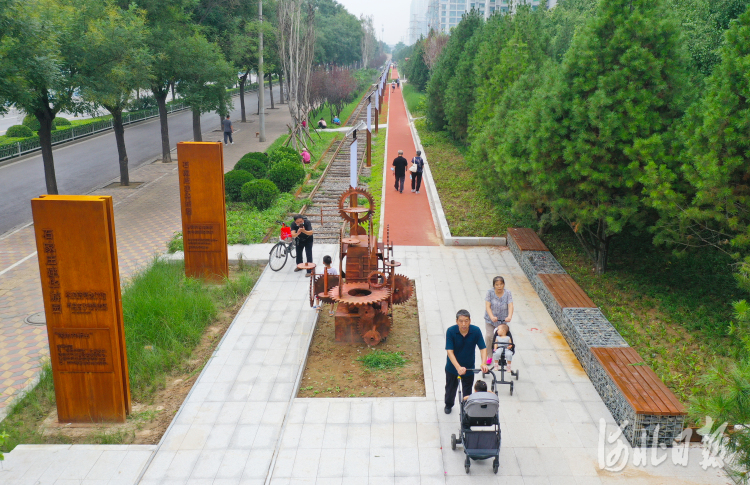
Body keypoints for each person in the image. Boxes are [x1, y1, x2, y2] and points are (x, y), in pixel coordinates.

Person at [445, 309, 489, 414]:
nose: (464, 324)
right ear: (457, 321)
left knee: (467, 391)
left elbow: (483, 348)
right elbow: (450, 352)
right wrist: (458, 367)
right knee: (451, 388)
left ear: (470, 321)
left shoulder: (476, 331)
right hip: (453, 367)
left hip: (469, 367)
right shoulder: (451, 331)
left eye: (466, 321)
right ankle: (448, 404)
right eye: (461, 321)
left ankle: (466, 410)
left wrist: (484, 363)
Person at [484, 276, 514, 359]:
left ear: (504, 284)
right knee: (489, 336)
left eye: (501, 284)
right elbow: (488, 306)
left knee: (503, 336)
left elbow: (510, 305)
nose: (499, 286)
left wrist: (509, 316)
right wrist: (492, 316)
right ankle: (489, 355)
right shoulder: (489, 292)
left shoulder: (508, 293)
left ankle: (502, 352)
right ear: (494, 285)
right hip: (491, 320)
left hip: (502, 321)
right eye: (497, 285)